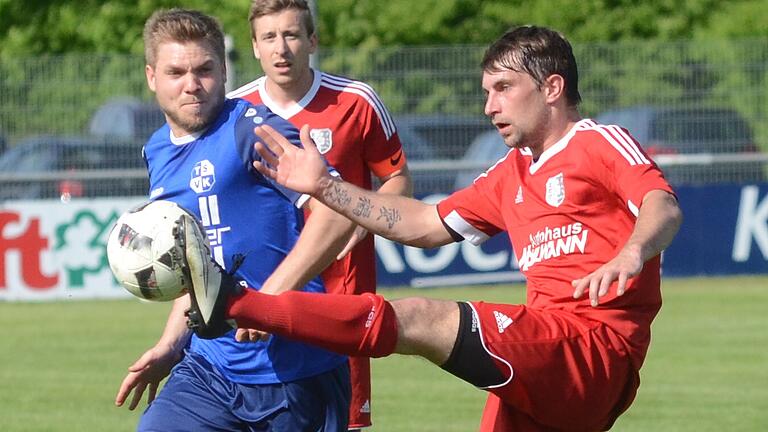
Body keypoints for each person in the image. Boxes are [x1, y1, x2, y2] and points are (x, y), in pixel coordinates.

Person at [180, 25, 683, 431]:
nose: (489, 106)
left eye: (504, 89)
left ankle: (235, 302)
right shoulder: (510, 173)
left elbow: (661, 204)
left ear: (552, 87)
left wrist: (632, 251)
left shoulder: (598, 141)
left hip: (591, 349)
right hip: (544, 362)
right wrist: (323, 186)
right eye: (486, 92)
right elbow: (423, 223)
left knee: (420, 317)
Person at [114, 8, 358, 431]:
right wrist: (171, 345)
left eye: (205, 69)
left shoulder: (252, 128)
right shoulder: (156, 151)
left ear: (224, 71)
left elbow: (340, 214)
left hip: (297, 371)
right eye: (176, 72)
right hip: (209, 371)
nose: (192, 85)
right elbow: (190, 259)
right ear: (152, 77)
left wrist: (270, 302)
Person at [226, 1, 413, 429]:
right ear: (254, 47)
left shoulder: (356, 101)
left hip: (340, 291)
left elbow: (398, 179)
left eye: (291, 35)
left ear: (312, 40)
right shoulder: (235, 112)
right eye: (269, 37)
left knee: (341, 420)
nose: (281, 48)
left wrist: (362, 222)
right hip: (263, 288)